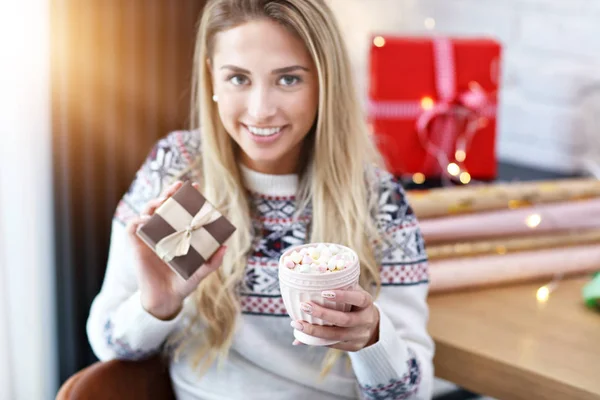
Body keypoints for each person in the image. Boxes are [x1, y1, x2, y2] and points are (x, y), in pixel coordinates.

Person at [86, 0, 434, 399]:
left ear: (325, 82)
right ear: (211, 78)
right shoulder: (179, 171)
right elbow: (109, 344)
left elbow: (412, 393)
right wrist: (157, 305)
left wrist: (372, 337)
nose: (261, 110)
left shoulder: (377, 200)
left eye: (288, 80)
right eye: (238, 79)